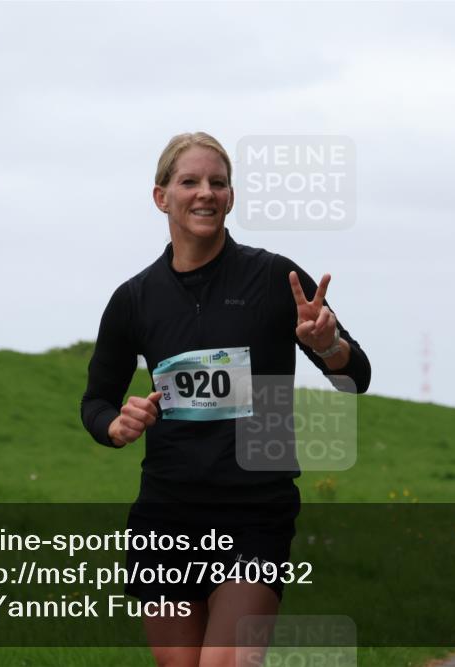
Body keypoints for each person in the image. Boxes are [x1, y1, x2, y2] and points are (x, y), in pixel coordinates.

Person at [80, 132, 371, 667]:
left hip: (255, 510)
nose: (205, 193)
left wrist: (327, 345)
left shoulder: (273, 278)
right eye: (189, 181)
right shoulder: (134, 299)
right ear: (161, 197)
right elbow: (96, 401)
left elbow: (356, 375)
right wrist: (116, 426)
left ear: (231, 197)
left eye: (218, 182)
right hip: (166, 513)